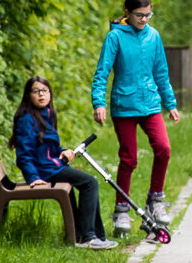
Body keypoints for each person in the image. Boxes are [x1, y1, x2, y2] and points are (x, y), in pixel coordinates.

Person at [92, 0, 181, 236]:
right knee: (129, 158)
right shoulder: (115, 37)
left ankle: (155, 200)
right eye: (140, 15)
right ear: (127, 13)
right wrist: (99, 103)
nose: (144, 20)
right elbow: (102, 73)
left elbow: (161, 73)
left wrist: (170, 104)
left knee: (163, 149)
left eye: (148, 15)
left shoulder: (153, 37)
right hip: (124, 105)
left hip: (150, 104)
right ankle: (121, 210)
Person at [10, 76, 117, 249]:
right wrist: (32, 177)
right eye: (35, 91)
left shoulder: (47, 114)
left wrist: (62, 151)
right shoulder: (26, 119)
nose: (41, 95)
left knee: (84, 183)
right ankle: (88, 237)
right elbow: (24, 154)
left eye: (44, 91)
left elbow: (48, 146)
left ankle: (91, 236)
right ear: (28, 95)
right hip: (45, 171)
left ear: (50, 94)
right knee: (90, 183)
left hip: (52, 165)